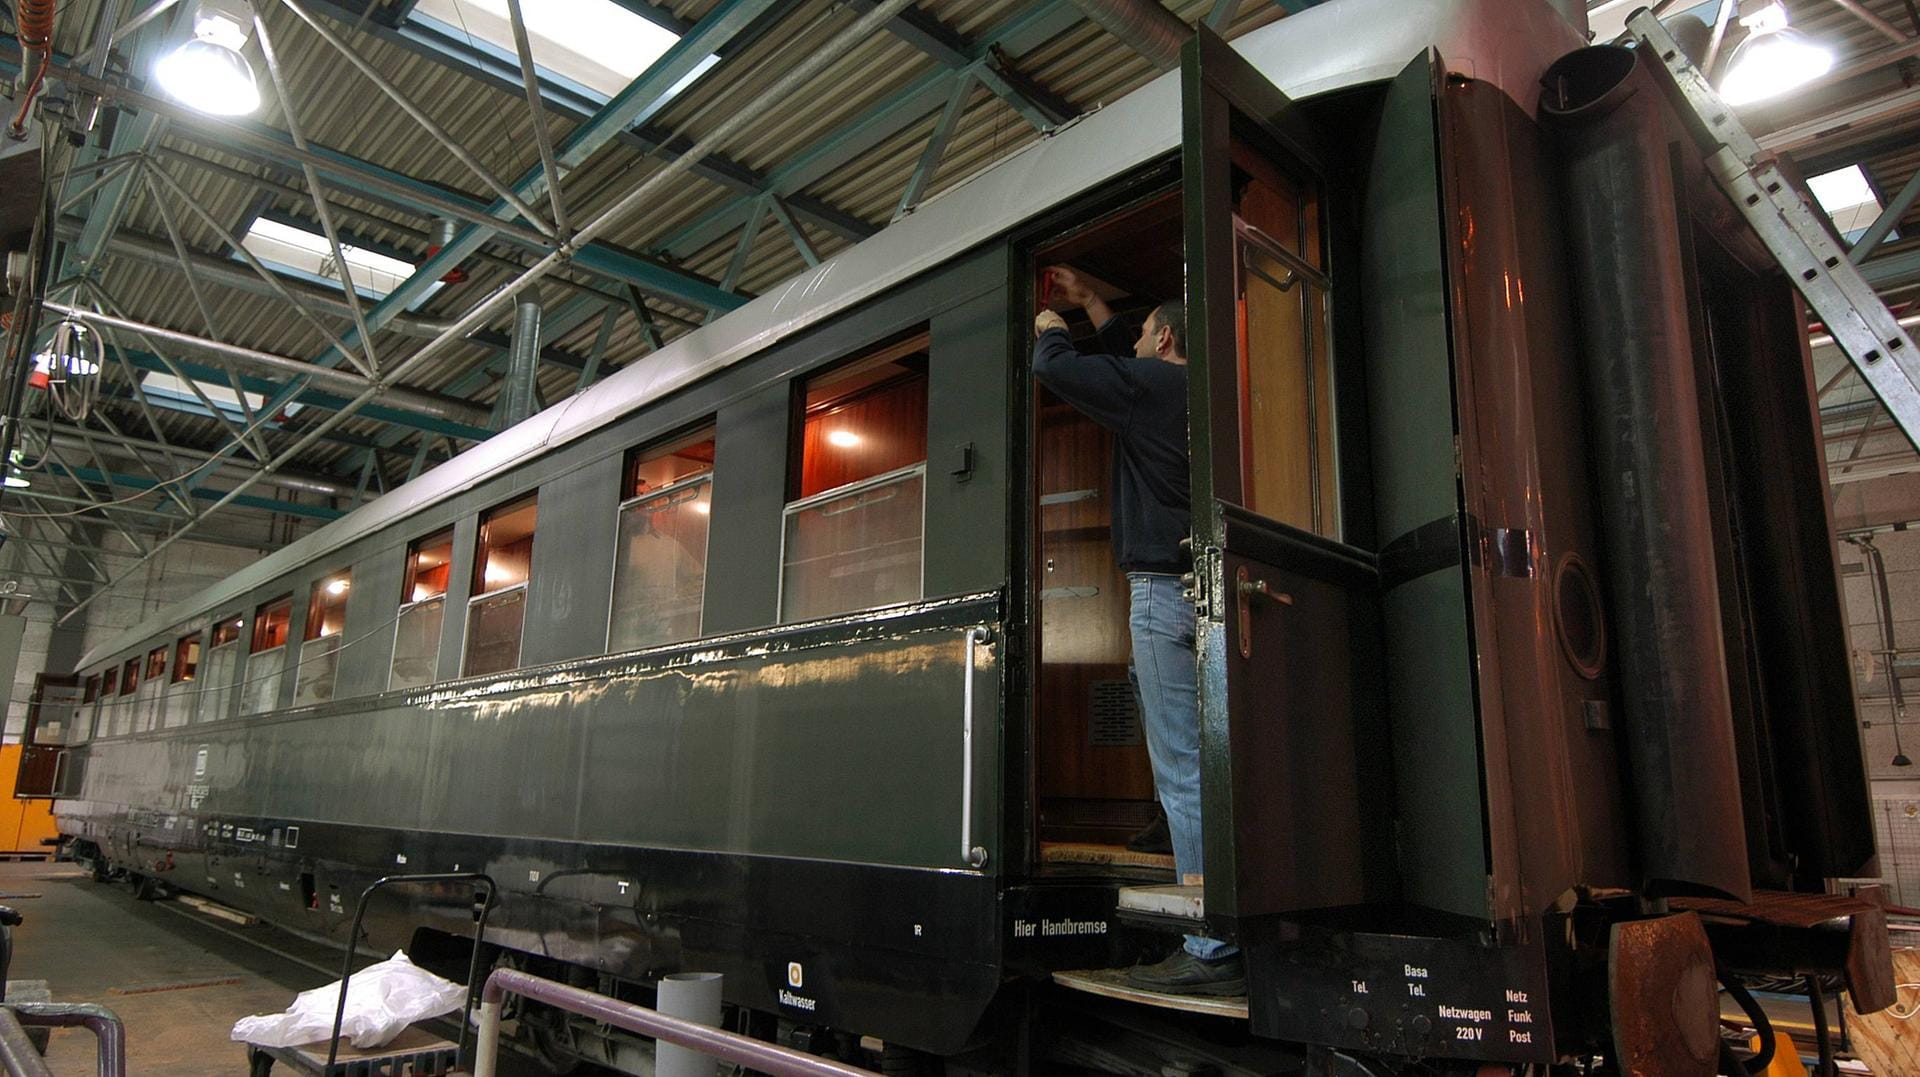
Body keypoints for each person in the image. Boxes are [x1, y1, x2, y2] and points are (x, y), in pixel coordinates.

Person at [1032, 266, 1243, 997]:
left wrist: (1052, 324)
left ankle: (1212, 941)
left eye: (1148, 332)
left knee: (1182, 769)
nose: (1140, 342)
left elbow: (1059, 370)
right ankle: (1222, 904)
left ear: (1170, 339)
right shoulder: (1205, 397)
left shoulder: (1149, 388)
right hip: (1212, 590)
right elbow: (1126, 360)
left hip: (1160, 593)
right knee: (1207, 762)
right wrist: (1096, 300)